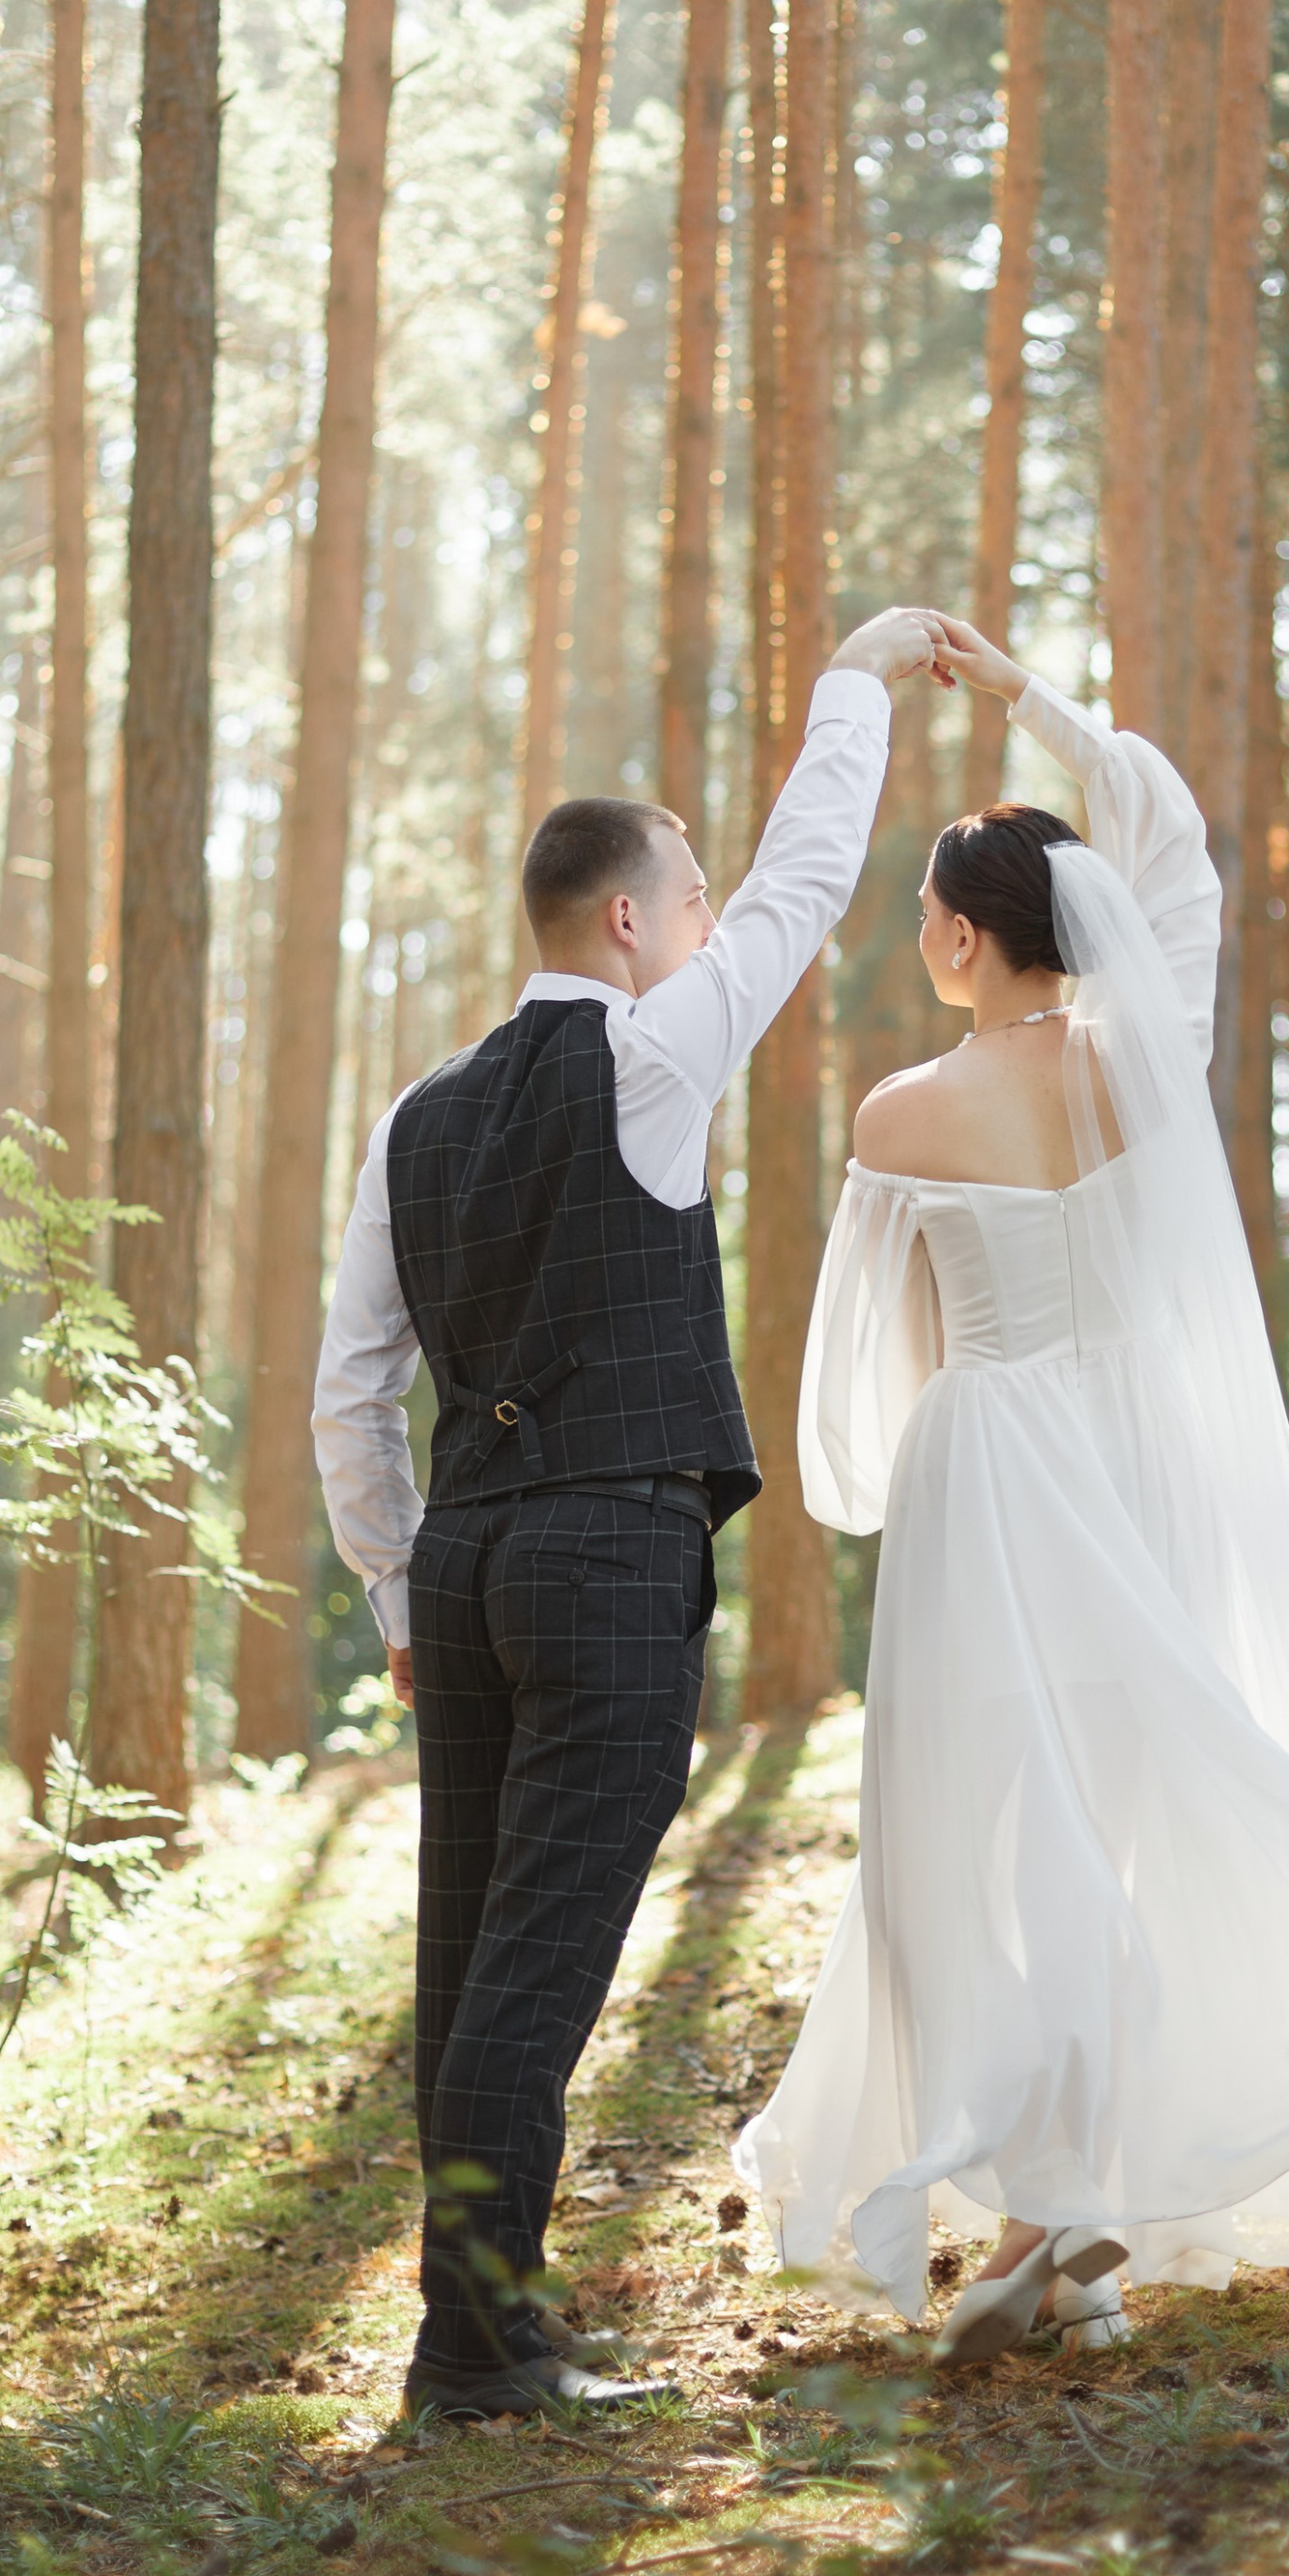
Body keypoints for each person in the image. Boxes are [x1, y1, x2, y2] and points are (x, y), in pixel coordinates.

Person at [734, 616, 1289, 2364]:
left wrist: (887, 1461)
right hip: (1130, 1461)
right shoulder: (1140, 1067)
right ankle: (1081, 2241)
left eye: (930, 916)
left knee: (975, 1839)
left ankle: (1042, 2210)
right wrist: (1024, 697)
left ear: (963, 940)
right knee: (1126, 1814)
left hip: (987, 1469)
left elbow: (874, 1358)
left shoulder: (901, 1116)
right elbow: (1172, 842)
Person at [315, 605, 951, 2423]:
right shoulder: (654, 1058)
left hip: (467, 1561)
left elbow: (350, 1394)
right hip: (605, 1554)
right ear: (627, 924)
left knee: (468, 1960)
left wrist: (400, 1599)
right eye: (689, 898)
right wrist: (857, 677)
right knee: (533, 1967)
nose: (710, 921)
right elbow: (809, 876)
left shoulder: (415, 1118)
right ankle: (476, 2348)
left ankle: (474, 2336)